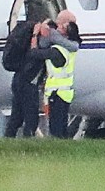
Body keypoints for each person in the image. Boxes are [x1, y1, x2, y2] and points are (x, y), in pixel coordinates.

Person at [35, 10, 82, 138]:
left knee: (56, 127)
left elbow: (38, 52)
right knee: (61, 124)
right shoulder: (69, 46)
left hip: (57, 92)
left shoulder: (58, 49)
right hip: (64, 92)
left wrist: (36, 36)